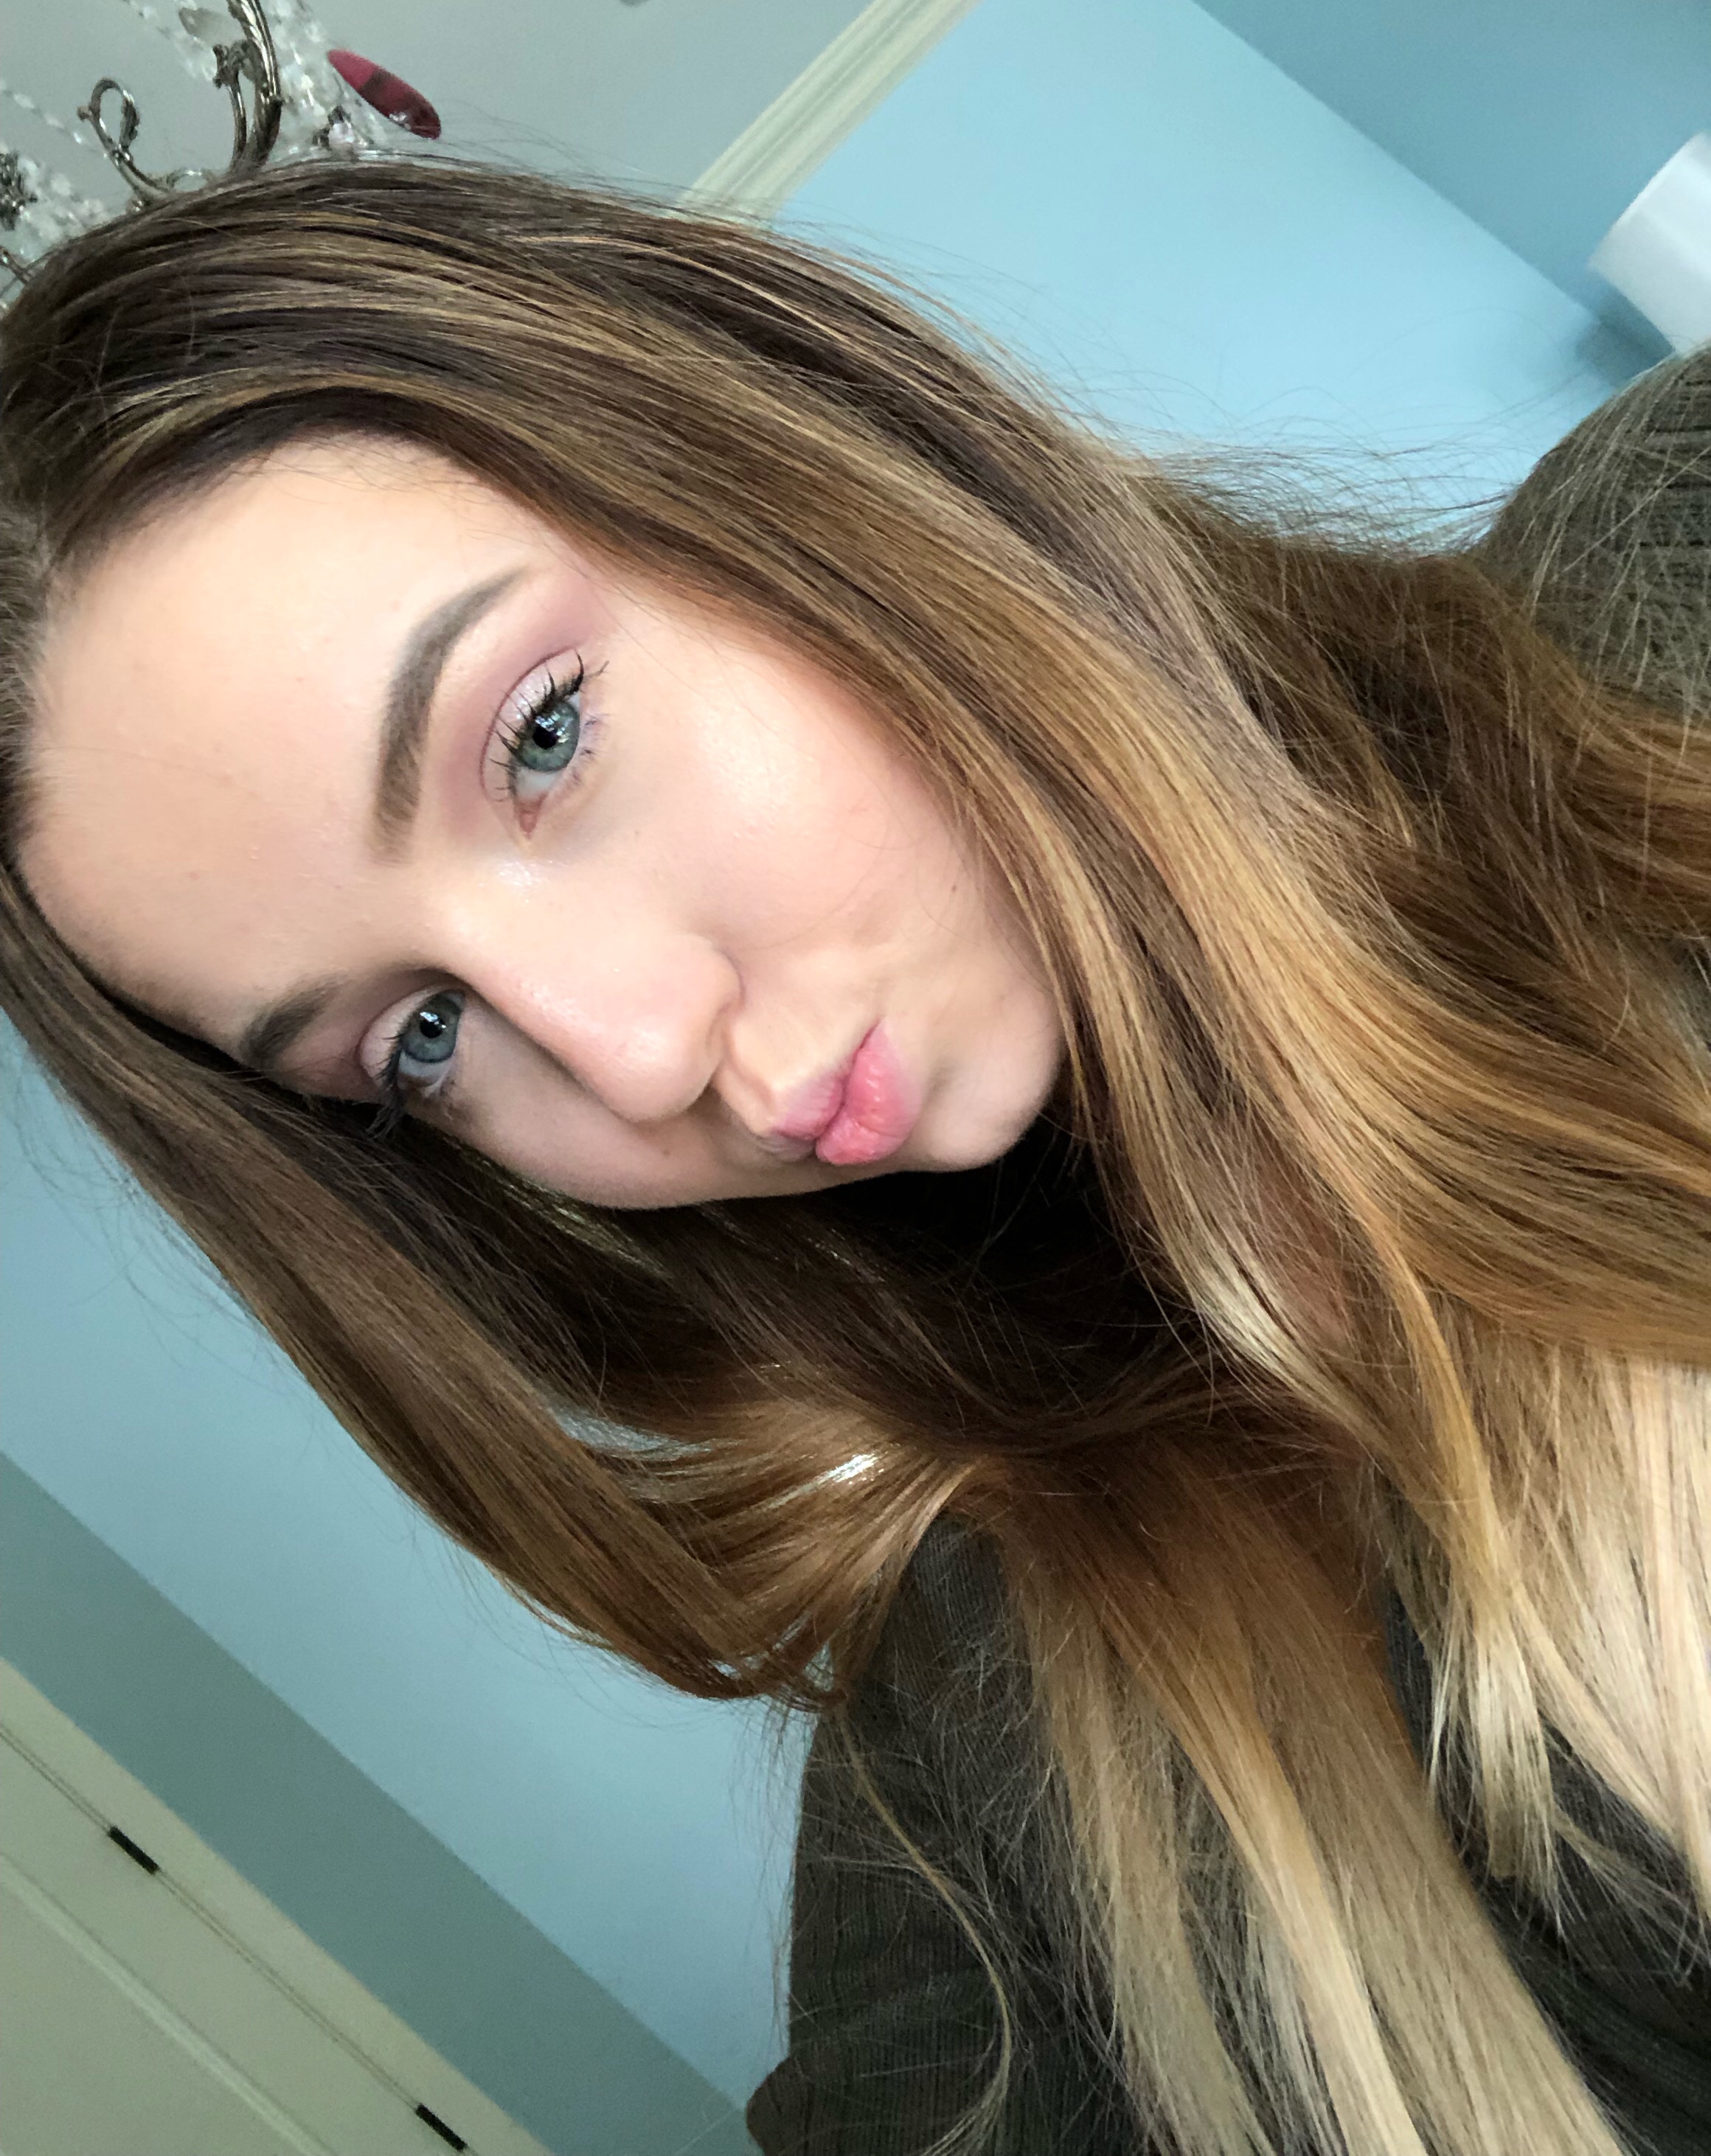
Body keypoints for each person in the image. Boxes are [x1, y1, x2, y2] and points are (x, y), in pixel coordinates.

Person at [1, 159, 1707, 2156]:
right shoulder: (986, 1758)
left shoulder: (1666, 587)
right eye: (421, 1041)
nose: (636, 1054)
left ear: (786, 451)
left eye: (542, 738)